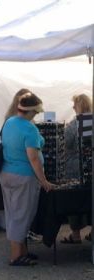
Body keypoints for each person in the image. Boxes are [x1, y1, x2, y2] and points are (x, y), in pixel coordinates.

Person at [0, 93, 53, 266]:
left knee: (13, 213)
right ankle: (16, 256)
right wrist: (43, 180)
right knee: (21, 215)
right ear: (32, 112)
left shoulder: (9, 122)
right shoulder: (29, 129)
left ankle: (22, 252)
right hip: (23, 176)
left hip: (6, 173)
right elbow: (34, 158)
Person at [62, 93, 93, 244]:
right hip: (91, 168)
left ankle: (75, 235)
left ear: (79, 106)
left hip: (75, 168)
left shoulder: (76, 124)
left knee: (74, 201)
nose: (73, 108)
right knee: (91, 199)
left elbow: (65, 143)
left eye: (75, 105)